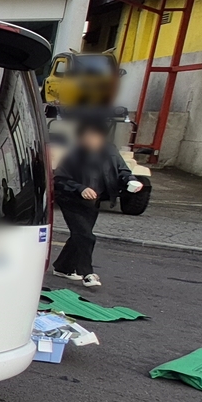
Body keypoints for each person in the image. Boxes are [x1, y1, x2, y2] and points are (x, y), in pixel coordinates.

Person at [51, 121, 143, 287]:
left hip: (93, 201)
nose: (93, 140)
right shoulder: (73, 154)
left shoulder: (110, 152)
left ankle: (62, 267)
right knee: (86, 236)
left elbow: (122, 170)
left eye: (96, 136)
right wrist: (80, 188)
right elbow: (59, 179)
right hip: (70, 200)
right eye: (89, 136)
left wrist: (131, 181)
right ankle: (87, 273)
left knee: (79, 236)